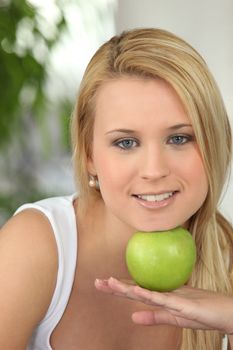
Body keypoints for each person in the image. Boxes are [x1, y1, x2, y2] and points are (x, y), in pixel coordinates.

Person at [0, 27, 232, 350]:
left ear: (214, 142)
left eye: (179, 138)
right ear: (90, 155)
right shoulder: (38, 246)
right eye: (126, 142)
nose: (154, 170)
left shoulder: (227, 263)